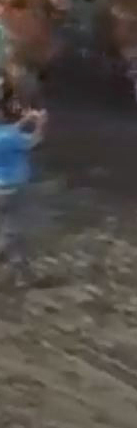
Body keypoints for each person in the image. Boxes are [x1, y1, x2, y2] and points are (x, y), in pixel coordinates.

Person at [0, 75, 47, 288]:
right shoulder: (10, 138)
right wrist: (40, 125)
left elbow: (10, 132)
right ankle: (22, 276)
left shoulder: (7, 134)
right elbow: (34, 142)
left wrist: (26, 120)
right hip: (13, 189)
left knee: (8, 227)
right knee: (14, 232)